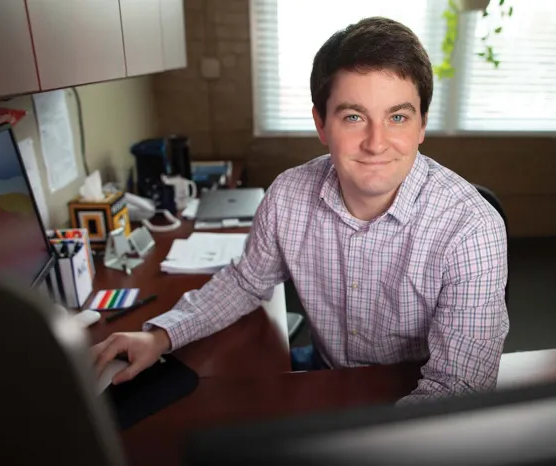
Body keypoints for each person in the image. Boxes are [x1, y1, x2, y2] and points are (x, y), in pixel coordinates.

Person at [92, 17, 509, 404]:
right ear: (322, 125)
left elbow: (457, 387)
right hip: (326, 375)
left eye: (398, 117)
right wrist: (162, 335)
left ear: (421, 126)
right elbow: (245, 282)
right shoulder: (288, 196)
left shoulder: (471, 228)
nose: (376, 143)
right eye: (353, 117)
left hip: (414, 386)